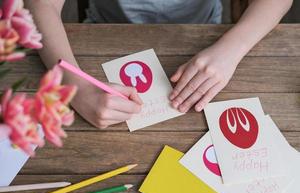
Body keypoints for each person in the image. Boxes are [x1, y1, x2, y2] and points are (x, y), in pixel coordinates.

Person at [25, 0, 293, 129]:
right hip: (102, 40)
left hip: (206, 38)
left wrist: (234, 46)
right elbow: (41, 4)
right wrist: (75, 85)